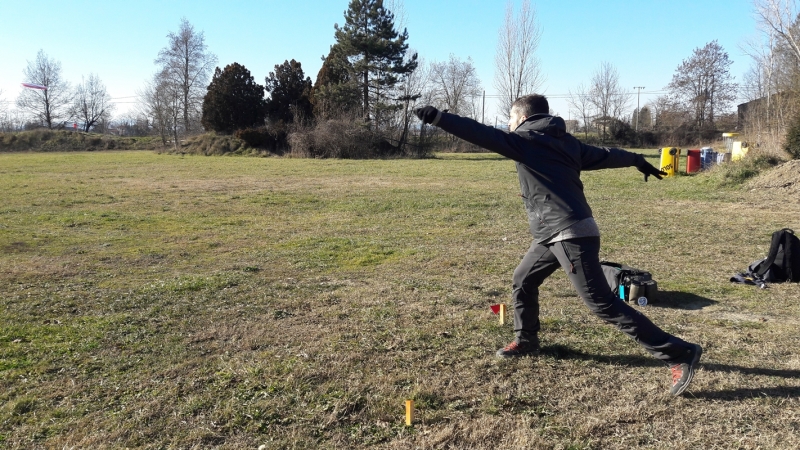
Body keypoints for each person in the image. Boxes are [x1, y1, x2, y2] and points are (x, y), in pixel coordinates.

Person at [415, 95, 702, 396]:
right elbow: (607, 155)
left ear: (522, 118)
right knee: (523, 279)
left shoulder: (524, 140)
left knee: (601, 302)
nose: (508, 124)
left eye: (510, 118)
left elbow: (480, 133)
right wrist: (637, 160)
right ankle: (526, 340)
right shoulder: (567, 143)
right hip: (554, 232)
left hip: (568, 232)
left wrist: (439, 118)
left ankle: (678, 352)